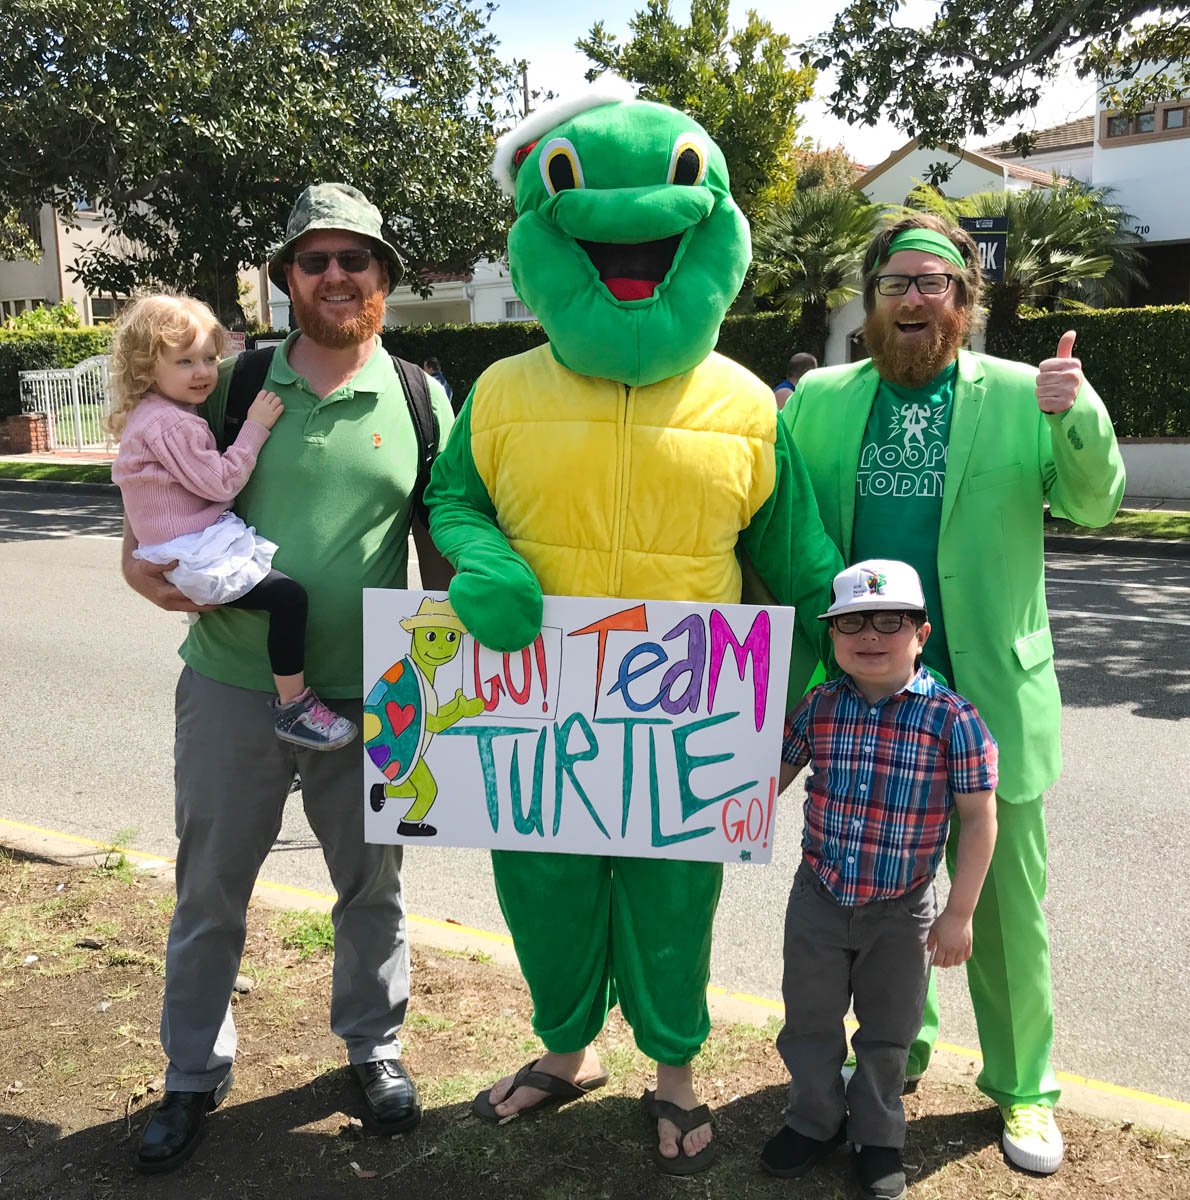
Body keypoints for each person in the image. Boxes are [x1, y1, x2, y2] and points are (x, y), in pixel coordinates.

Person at [426, 77, 841, 1176]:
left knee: (670, 901)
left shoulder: (752, 405)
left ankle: (673, 1070)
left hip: (682, 722)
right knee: (544, 893)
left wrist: (789, 712)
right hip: (531, 717)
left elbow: (799, 568)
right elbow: (453, 500)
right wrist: (482, 561)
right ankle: (565, 1050)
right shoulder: (501, 391)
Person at [781, 213, 1126, 1174]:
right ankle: (905, 1054)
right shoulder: (818, 399)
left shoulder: (1025, 394)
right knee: (886, 895)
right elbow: (785, 521)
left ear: (965, 301)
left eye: (935, 282)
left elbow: (1096, 503)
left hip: (984, 694)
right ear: (871, 301)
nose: (915, 298)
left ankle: (1024, 1090)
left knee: (1006, 909)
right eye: (895, 283)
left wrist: (1081, 409)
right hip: (861, 693)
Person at [122, 182, 455, 1174]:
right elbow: (154, 501)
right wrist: (136, 567)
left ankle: (373, 1045)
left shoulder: (419, 397)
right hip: (231, 684)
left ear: (383, 278)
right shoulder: (233, 383)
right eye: (315, 260)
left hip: (376, 693)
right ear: (287, 280)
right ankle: (191, 1074)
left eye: (357, 258)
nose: (338, 275)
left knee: (372, 887)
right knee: (211, 889)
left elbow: (440, 545)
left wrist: (475, 645)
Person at [762, 559, 997, 1200]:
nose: (869, 635)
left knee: (889, 1031)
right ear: (833, 637)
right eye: (851, 623)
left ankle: (877, 1133)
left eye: (889, 621)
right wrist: (707, 816)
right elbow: (771, 777)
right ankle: (814, 1120)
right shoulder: (820, 705)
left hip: (903, 909)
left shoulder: (953, 719)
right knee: (808, 1018)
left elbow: (978, 819)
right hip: (818, 895)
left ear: (920, 633)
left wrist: (959, 913)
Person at [109, 293, 357, 752]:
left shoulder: (159, 414)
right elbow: (220, 483)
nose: (203, 372)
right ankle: (295, 705)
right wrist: (256, 426)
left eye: (208, 357)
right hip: (192, 549)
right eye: (185, 361)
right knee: (288, 598)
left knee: (282, 595)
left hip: (186, 542)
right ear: (147, 367)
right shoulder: (171, 424)